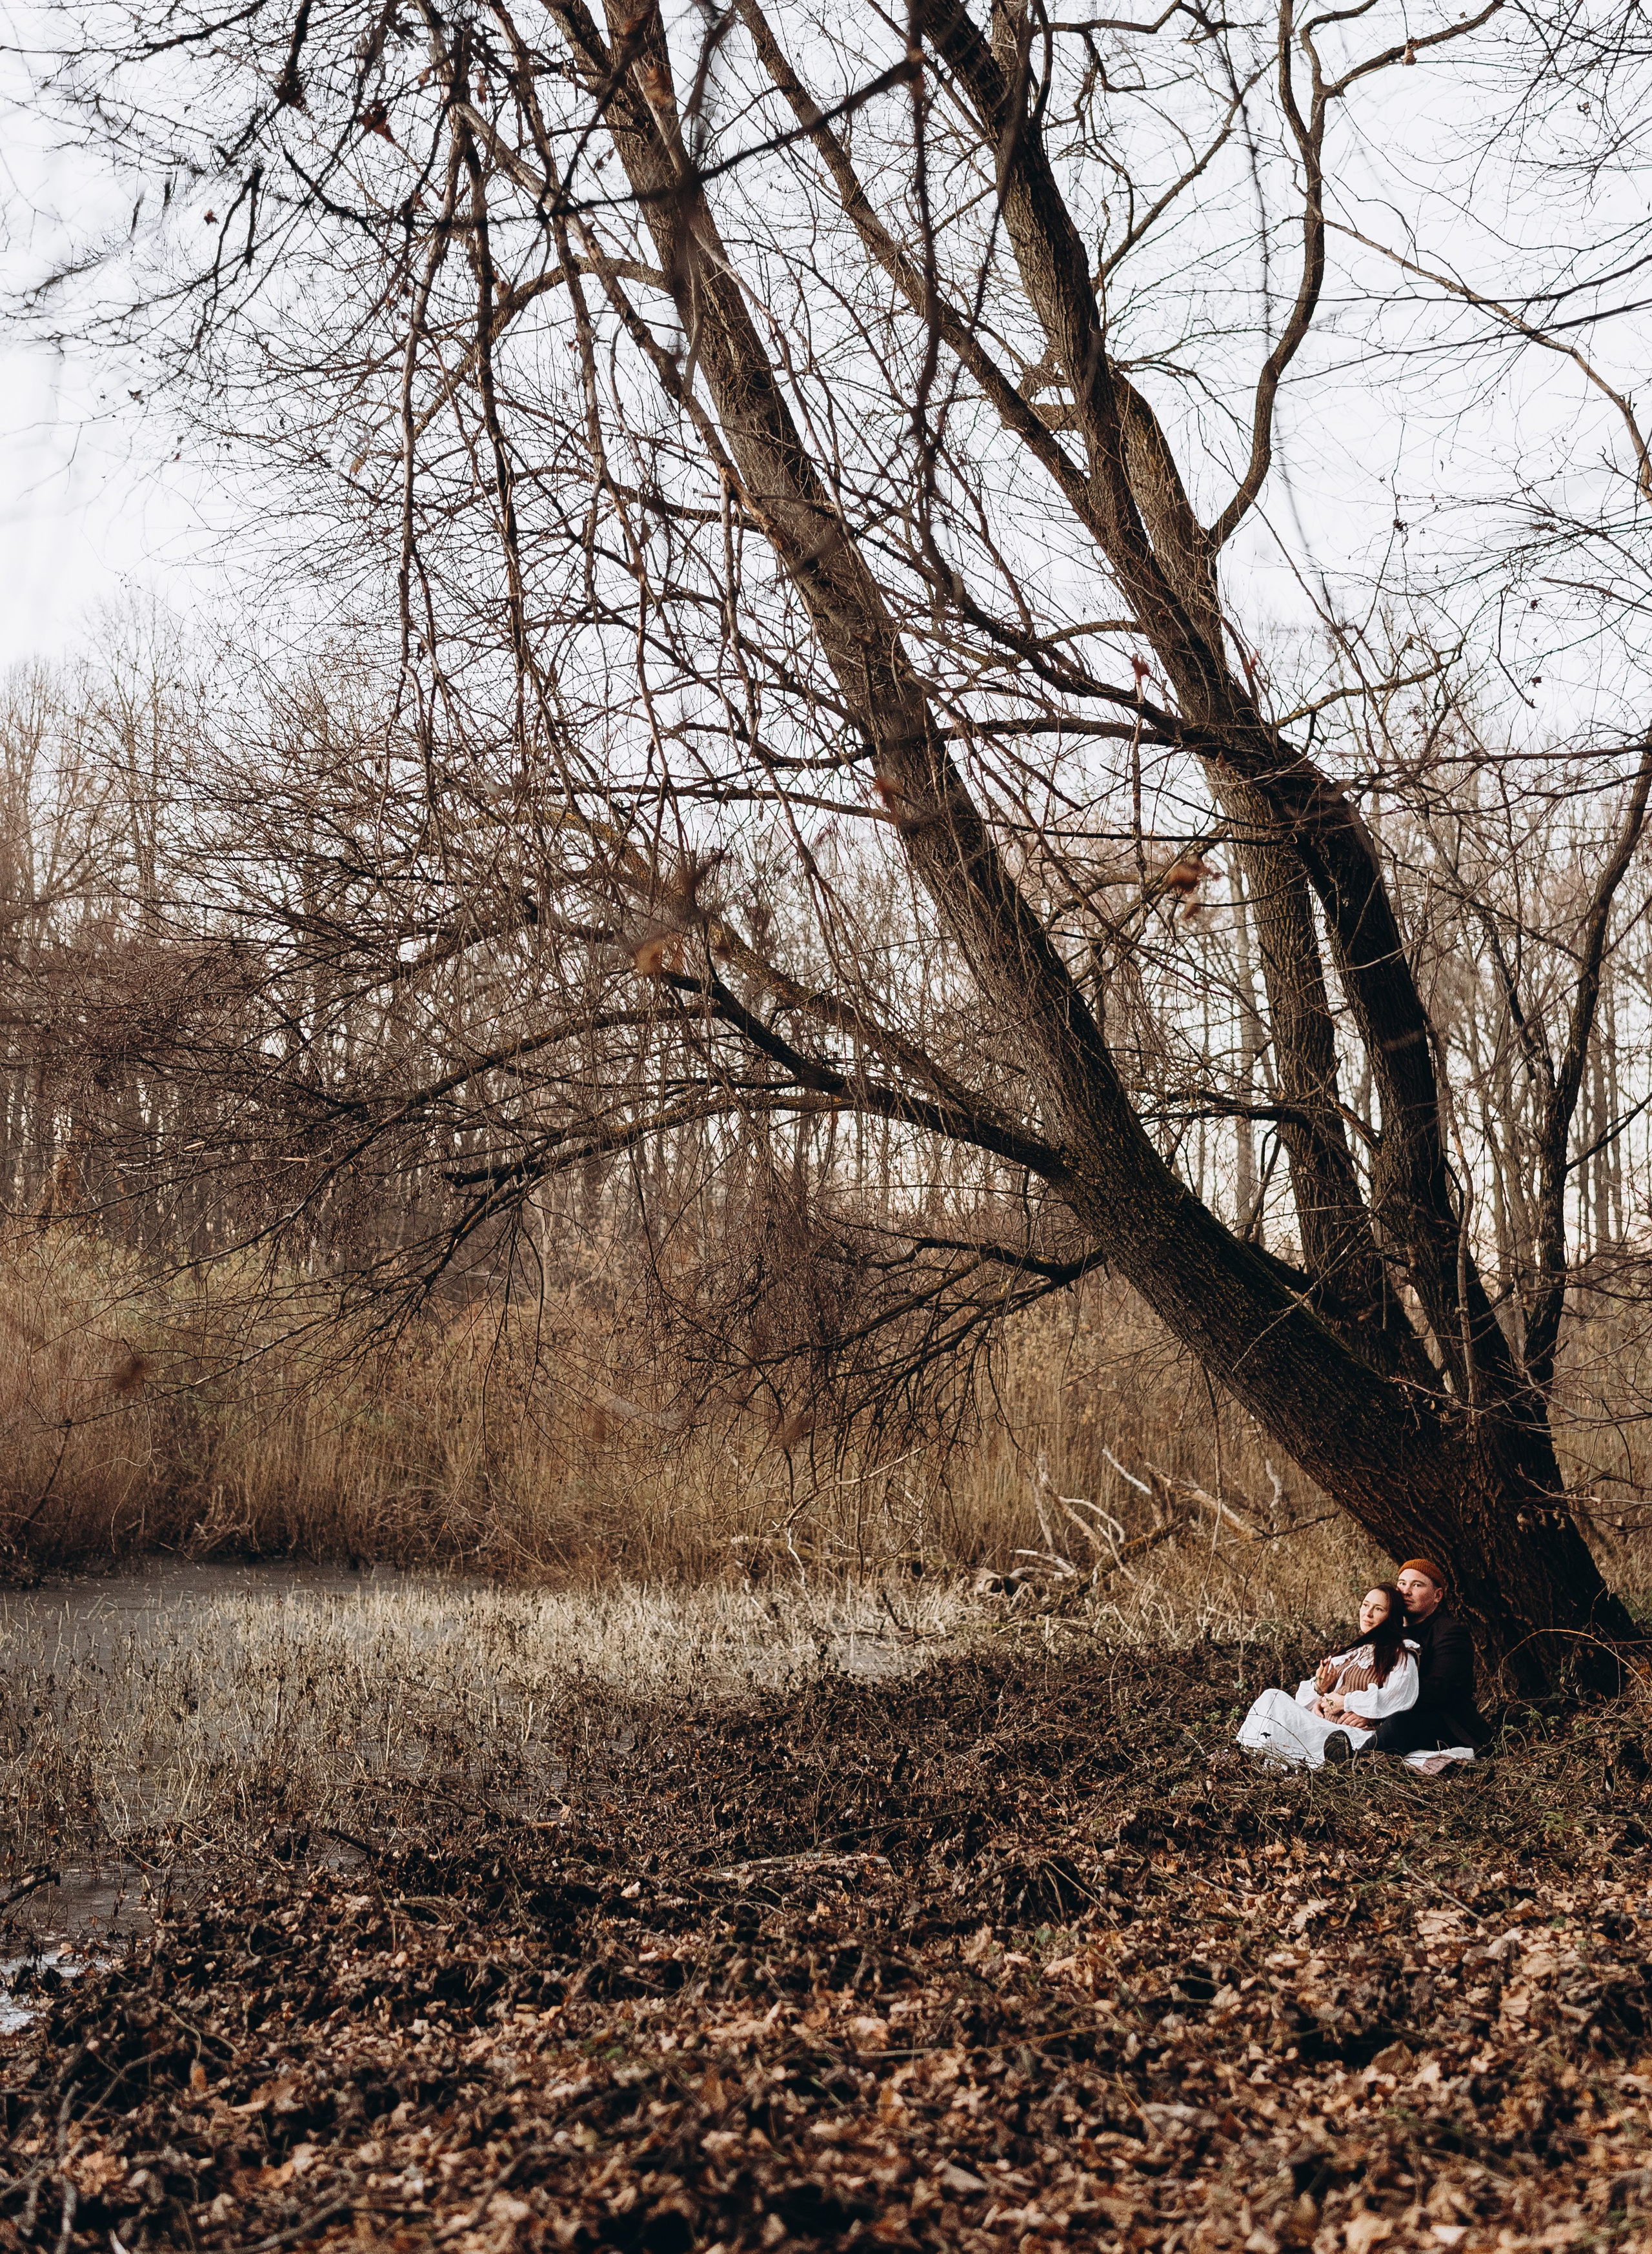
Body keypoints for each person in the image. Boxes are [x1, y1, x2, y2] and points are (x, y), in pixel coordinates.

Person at [1236, 1584, 1418, 1769]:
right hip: (1321, 1723)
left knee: (1273, 1702)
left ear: (1392, 1616)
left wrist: (1346, 1703)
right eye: (1365, 1605)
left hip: (1350, 1736)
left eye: (1378, 1609)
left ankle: (1252, 1759)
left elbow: (1400, 1698)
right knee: (1272, 1698)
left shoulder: (1401, 1653)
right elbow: (1303, 1701)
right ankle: (1242, 1757)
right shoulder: (1353, 1652)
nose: (1368, 1613)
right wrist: (1319, 1690)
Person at [1366, 1558, 1489, 1771]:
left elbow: (1437, 1691)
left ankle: (1345, 1767)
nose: (1406, 1591)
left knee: (1398, 1724)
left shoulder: (1450, 1632)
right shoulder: (1390, 1631)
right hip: (1393, 1711)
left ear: (1437, 1596)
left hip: (1445, 1721)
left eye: (1417, 1585)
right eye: (1402, 1583)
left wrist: (1375, 1708)